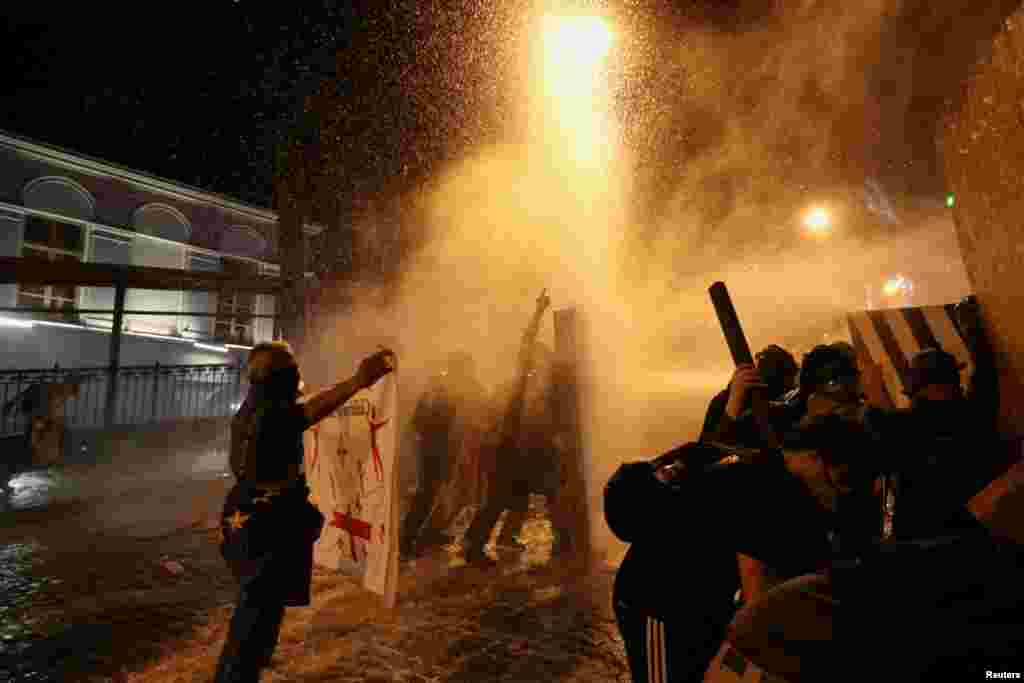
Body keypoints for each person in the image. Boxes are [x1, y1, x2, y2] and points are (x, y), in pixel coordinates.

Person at [214, 341, 395, 683]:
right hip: (266, 522)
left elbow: (304, 412)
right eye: (291, 371)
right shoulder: (270, 413)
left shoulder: (257, 405)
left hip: (252, 515)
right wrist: (358, 381)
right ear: (278, 378)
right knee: (256, 612)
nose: (298, 376)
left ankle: (245, 669)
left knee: (260, 608)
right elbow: (310, 412)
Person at [605, 439, 832, 683]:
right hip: (653, 604)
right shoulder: (745, 488)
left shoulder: (730, 472)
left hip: (702, 599)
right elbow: (757, 607)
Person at [462, 289, 551, 566]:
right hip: (505, 448)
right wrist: (538, 312)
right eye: (538, 359)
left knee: (519, 498)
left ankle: (504, 538)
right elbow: (526, 343)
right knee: (496, 501)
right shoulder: (520, 383)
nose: (542, 363)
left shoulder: (538, 386)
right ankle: (473, 546)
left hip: (516, 449)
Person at [400, 351, 488, 559]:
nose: (470, 373)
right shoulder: (441, 388)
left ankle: (430, 533)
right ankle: (406, 541)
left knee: (437, 493)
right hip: (434, 449)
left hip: (442, 448)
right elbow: (418, 421)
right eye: (467, 368)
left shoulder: (450, 387)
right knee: (426, 495)